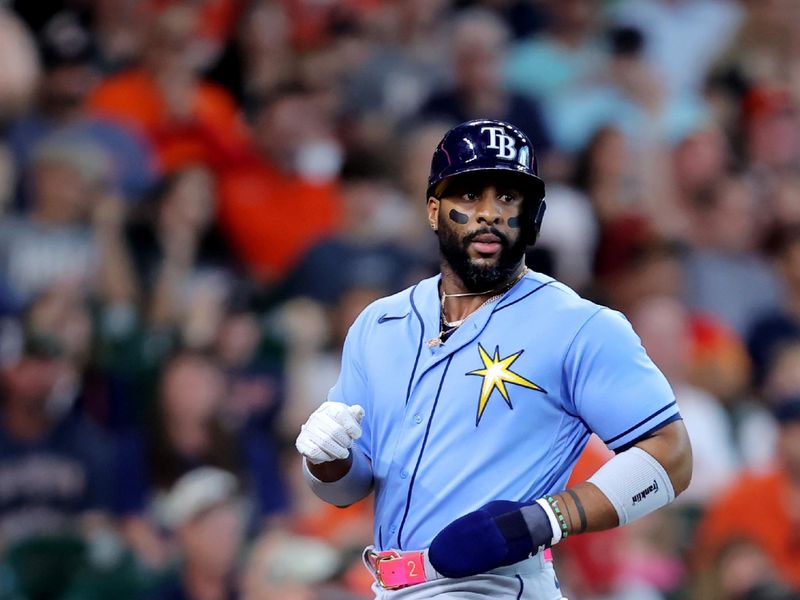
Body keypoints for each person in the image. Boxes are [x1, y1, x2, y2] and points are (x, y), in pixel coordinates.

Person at [294, 119, 693, 599]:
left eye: (508, 197)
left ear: (535, 217)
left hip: (499, 587)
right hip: (390, 587)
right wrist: (327, 461)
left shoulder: (579, 325)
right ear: (433, 210)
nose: (488, 213)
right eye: (468, 195)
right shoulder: (378, 323)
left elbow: (671, 456)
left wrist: (546, 519)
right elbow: (347, 490)